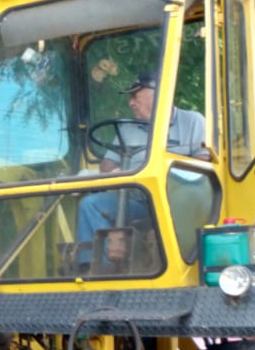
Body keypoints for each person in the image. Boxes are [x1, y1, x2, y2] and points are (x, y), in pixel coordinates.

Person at [75, 72, 209, 269]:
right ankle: (94, 270)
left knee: (183, 200)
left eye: (135, 97)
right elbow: (107, 165)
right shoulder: (127, 129)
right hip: (136, 199)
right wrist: (114, 171)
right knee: (90, 204)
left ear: (156, 96)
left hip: (176, 198)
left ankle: (181, 267)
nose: (130, 103)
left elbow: (203, 161)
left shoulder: (192, 121)